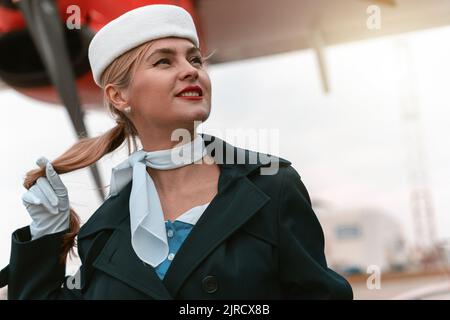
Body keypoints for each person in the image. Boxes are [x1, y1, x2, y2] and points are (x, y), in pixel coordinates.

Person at [0, 4, 352, 300]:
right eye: (164, 62)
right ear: (119, 96)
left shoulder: (272, 188)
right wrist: (45, 239)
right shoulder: (101, 234)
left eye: (195, 60)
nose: (190, 71)